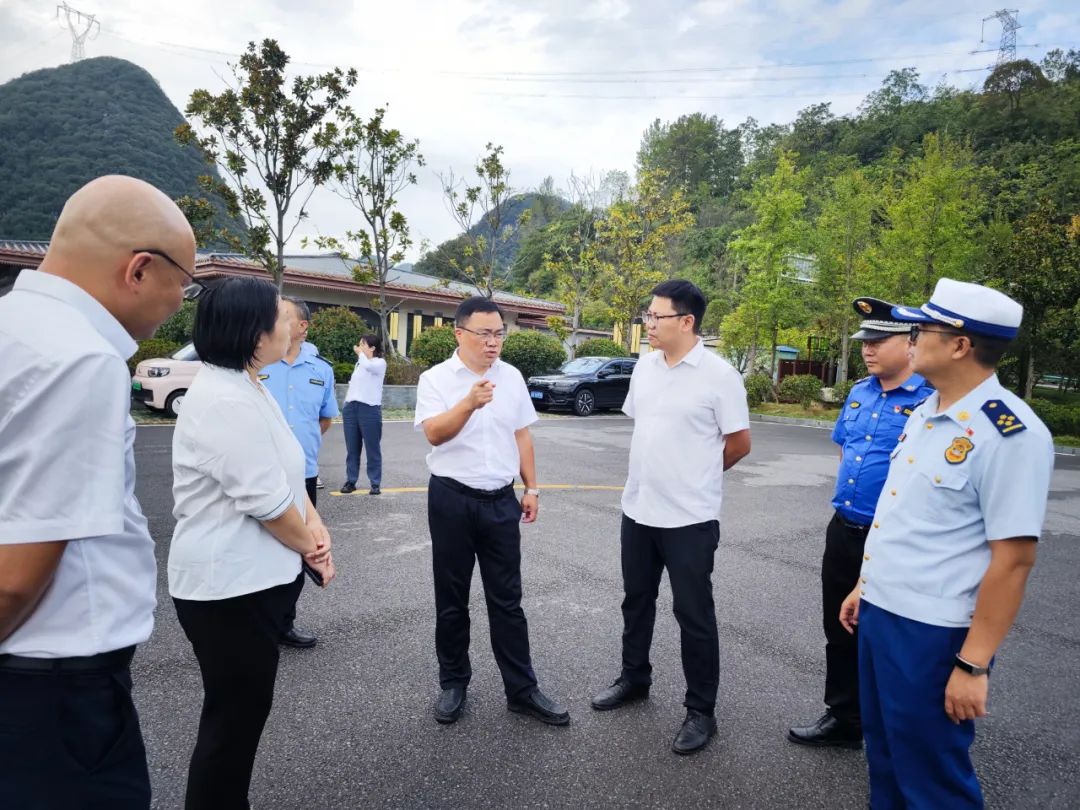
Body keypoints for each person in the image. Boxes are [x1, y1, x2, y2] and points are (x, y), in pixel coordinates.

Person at [0, 175, 194, 808]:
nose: (178, 302)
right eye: (181, 284)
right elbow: (15, 576)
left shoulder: (15, 326)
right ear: (139, 269)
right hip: (53, 695)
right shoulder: (78, 358)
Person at [839, 278, 1054, 808]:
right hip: (884, 613)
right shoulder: (926, 412)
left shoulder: (1010, 434)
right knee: (886, 756)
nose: (911, 337)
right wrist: (866, 584)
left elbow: (1014, 560)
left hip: (933, 634)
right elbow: (905, 517)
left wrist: (973, 664)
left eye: (923, 328)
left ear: (960, 345)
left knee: (931, 774)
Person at [169, 277, 336, 810]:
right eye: (279, 316)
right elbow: (266, 503)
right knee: (231, 724)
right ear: (253, 330)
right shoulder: (224, 399)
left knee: (242, 716)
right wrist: (313, 548)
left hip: (251, 583)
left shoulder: (249, 382)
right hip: (225, 590)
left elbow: (289, 472)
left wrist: (316, 523)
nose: (289, 325)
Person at [591, 279, 751, 755]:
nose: (648, 323)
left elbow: (739, 444)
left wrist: (696, 476)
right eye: (648, 315)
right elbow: (646, 427)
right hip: (638, 509)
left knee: (693, 615)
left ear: (687, 321)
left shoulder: (720, 376)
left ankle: (701, 711)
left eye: (656, 317)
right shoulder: (645, 366)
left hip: (689, 520)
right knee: (636, 601)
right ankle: (634, 678)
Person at [414, 296, 569, 727]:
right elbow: (434, 435)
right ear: (459, 333)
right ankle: (453, 682)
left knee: (508, 600)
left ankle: (521, 690)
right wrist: (468, 403)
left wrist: (531, 487)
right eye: (484, 333)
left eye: (499, 333)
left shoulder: (512, 377)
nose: (493, 342)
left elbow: (522, 435)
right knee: (451, 598)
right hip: (451, 499)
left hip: (501, 500)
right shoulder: (436, 379)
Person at [788, 298, 933, 749]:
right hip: (845, 528)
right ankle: (845, 718)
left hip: (893, 538)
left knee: (890, 636)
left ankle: (895, 727)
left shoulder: (931, 399)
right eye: (864, 341)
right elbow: (845, 451)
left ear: (911, 343)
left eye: (878, 340)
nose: (868, 349)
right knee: (840, 627)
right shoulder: (860, 392)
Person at [260, 296, 339, 649]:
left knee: (297, 551)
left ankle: (284, 623)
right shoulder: (259, 362)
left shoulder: (321, 370)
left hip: (302, 473)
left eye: (282, 316)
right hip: (260, 470)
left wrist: (295, 451)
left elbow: (325, 419)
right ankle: (259, 621)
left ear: (302, 326)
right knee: (261, 544)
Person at [341, 333, 387, 495]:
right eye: (359, 344)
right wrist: (346, 403)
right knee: (352, 448)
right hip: (351, 409)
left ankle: (375, 483)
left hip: (370, 409)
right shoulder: (359, 364)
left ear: (373, 348)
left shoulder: (379, 363)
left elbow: (369, 366)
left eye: (363, 344)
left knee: (372, 448)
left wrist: (360, 354)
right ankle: (351, 481)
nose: (359, 347)